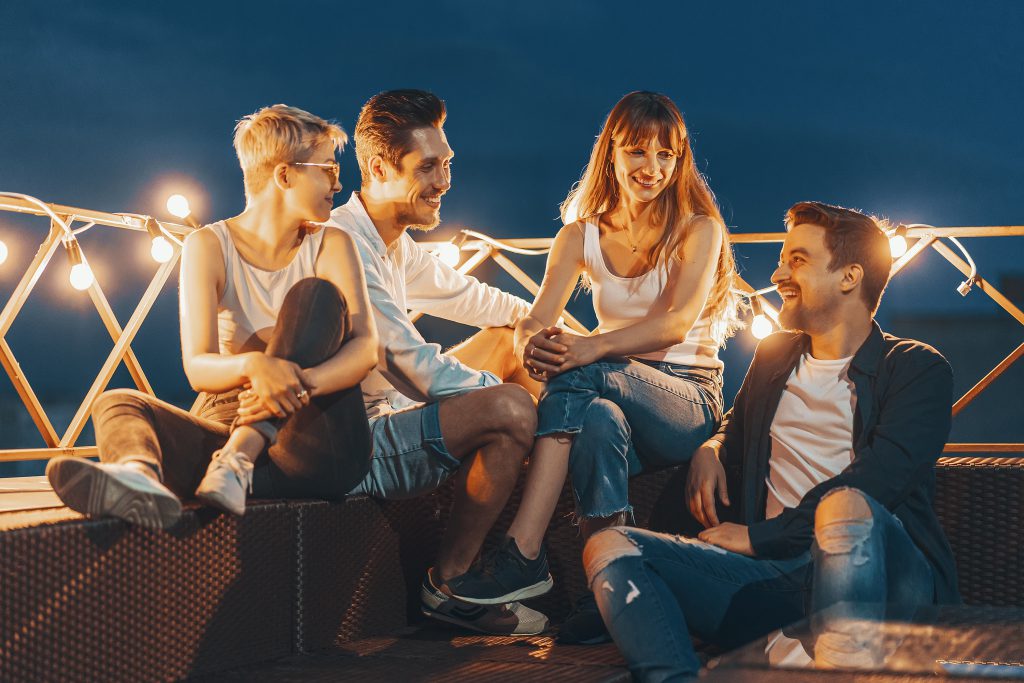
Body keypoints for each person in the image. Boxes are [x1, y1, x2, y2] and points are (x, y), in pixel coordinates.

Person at [584, 201, 960, 682]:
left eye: (797, 260)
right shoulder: (774, 355)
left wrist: (762, 536)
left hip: (883, 582)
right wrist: (712, 447)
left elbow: (879, 481)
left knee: (845, 507)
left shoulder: (916, 368)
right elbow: (735, 427)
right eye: (783, 258)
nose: (779, 273)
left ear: (849, 277)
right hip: (775, 580)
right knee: (611, 547)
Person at [444, 91, 742, 646]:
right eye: (636, 152)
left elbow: (675, 324)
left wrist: (585, 349)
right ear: (610, 154)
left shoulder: (698, 228)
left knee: (579, 370)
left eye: (665, 155)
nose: (651, 168)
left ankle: (524, 551)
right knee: (597, 418)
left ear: (679, 162)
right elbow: (534, 319)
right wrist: (536, 342)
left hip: (686, 400)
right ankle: (610, 590)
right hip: (612, 395)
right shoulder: (580, 235)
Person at [47, 105, 378, 529]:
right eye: (328, 170)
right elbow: (198, 367)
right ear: (284, 176)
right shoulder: (209, 245)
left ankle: (239, 457)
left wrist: (294, 384)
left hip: (317, 446)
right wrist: (255, 365)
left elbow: (365, 348)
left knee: (313, 295)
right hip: (224, 447)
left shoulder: (332, 244)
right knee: (117, 401)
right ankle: (139, 478)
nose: (338, 182)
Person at [327, 89, 547, 636]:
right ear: (379, 168)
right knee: (513, 409)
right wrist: (500, 399)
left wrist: (570, 337)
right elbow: (410, 367)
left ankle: (530, 532)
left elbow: (487, 303)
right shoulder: (342, 244)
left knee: (510, 337)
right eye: (428, 167)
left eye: (447, 164)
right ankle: (450, 583)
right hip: (359, 444)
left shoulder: (397, 245)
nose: (445, 182)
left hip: (396, 412)